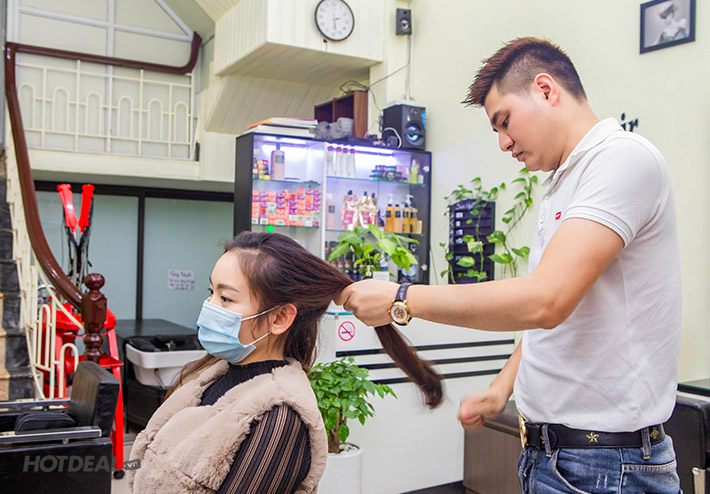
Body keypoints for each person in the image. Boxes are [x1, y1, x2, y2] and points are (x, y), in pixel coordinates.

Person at [335, 37, 682, 493]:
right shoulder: (564, 182)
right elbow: (559, 312)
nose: (503, 143)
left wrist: (402, 298)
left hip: (606, 466)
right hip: (558, 457)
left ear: (545, 89)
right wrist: (503, 387)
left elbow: (546, 301)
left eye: (504, 121)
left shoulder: (621, 159)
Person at [128, 231, 442, 493]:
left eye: (226, 298)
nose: (209, 307)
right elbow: (146, 462)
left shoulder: (280, 416)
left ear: (279, 318)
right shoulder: (209, 375)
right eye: (211, 292)